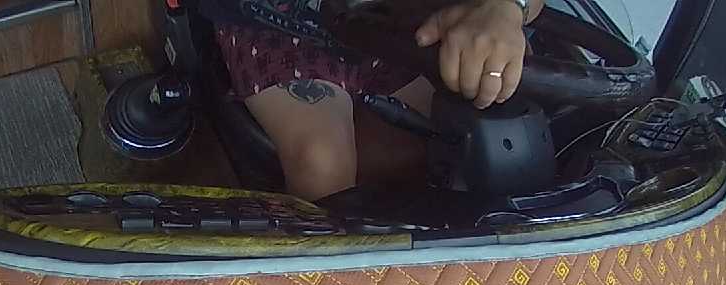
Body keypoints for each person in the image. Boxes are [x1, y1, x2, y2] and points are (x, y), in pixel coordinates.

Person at [215, 0, 542, 200]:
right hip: (279, 23)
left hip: (401, 21)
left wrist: (506, 9)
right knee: (321, 162)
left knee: (477, 139)